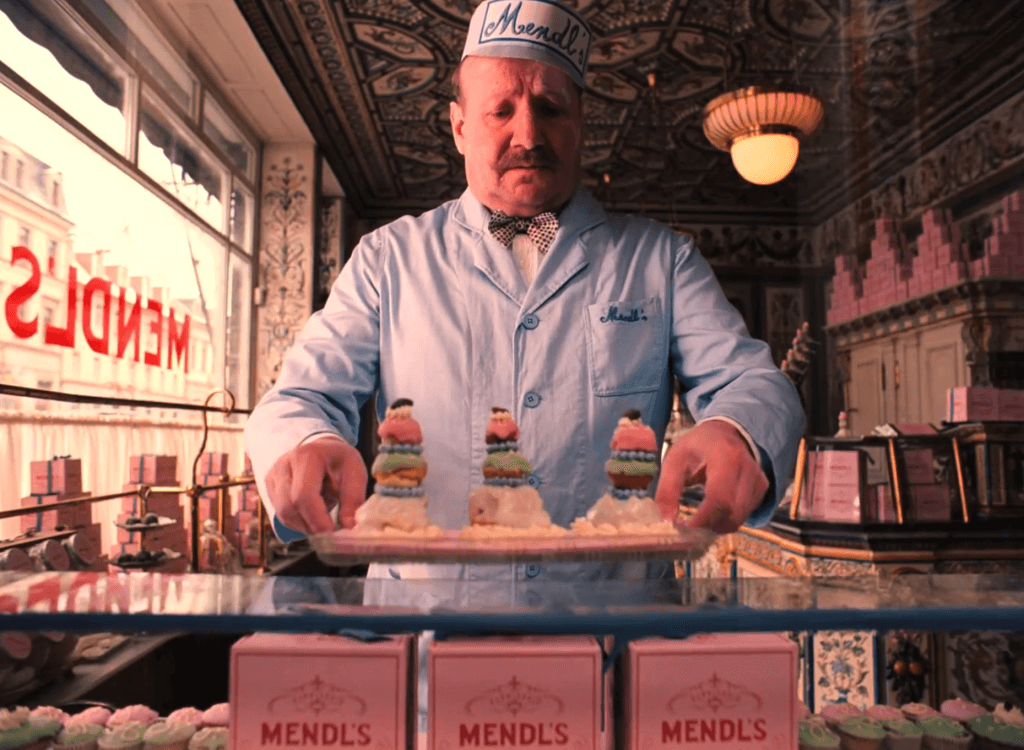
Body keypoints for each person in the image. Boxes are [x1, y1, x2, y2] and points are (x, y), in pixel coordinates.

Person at [245, 0, 804, 565]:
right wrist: (307, 444)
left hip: (611, 618)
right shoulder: (386, 260)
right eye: (501, 110)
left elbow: (754, 381)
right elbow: (301, 398)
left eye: (550, 107)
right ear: (460, 127)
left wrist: (737, 429)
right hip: (430, 617)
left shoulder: (661, 260)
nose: (528, 133)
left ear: (581, 123)